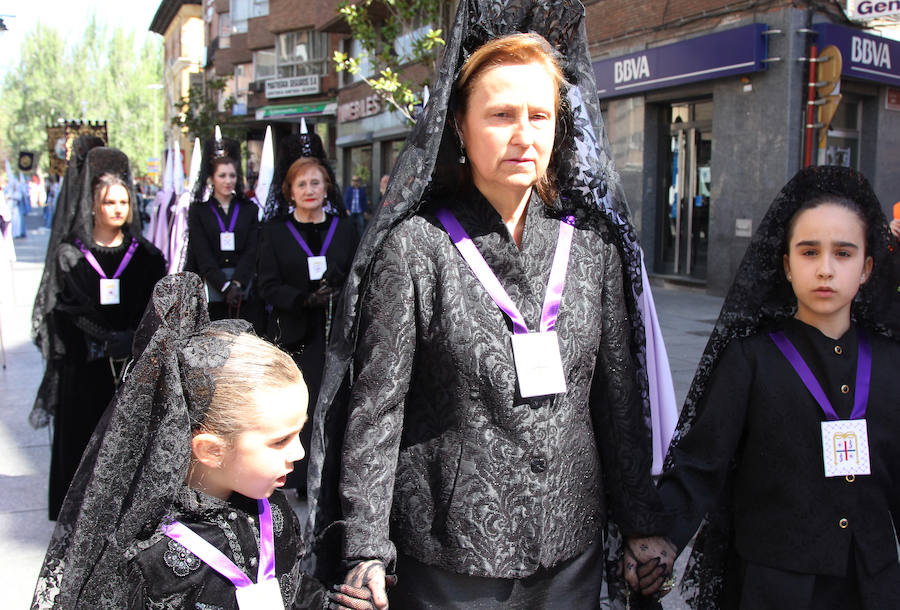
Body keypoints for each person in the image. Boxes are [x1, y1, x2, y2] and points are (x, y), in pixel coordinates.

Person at [306, 2, 674, 607]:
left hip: (568, 552)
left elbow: (616, 405)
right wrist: (366, 547)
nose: (524, 135)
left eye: (539, 115)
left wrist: (640, 525)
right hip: (453, 557)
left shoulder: (592, 247)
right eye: (501, 115)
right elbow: (379, 411)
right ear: (459, 124)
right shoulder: (416, 248)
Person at [631, 166, 900, 609]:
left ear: (868, 268)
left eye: (844, 253)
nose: (827, 269)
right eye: (809, 252)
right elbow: (701, 466)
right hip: (776, 586)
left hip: (871, 585)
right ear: (787, 266)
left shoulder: (890, 362)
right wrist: (660, 539)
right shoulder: (751, 359)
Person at [30, 272, 376, 608]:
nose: (299, 452)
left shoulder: (272, 509)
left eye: (299, 431)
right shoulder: (152, 561)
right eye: (279, 440)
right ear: (211, 449)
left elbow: (293, 591)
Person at [33, 148, 167, 520]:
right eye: (109, 201)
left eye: (124, 201)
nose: (118, 208)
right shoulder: (69, 256)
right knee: (82, 441)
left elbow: (157, 312)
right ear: (93, 205)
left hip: (131, 367)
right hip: (86, 368)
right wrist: (92, 342)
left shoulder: (147, 257)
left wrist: (133, 339)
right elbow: (57, 314)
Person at [258, 152, 357, 496]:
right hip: (295, 334)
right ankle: (298, 478)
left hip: (336, 331)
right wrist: (303, 299)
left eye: (316, 182)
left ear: (327, 187)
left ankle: (332, 475)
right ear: (290, 191)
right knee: (301, 404)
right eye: (301, 184)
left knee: (336, 404)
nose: (309, 189)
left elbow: (358, 273)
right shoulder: (274, 232)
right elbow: (267, 284)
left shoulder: (344, 228)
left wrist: (339, 288)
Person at [186, 136, 260, 325]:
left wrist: (237, 283)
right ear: (211, 178)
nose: (228, 181)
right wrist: (224, 286)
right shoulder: (199, 211)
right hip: (213, 288)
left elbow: (252, 250)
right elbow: (202, 253)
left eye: (232, 175)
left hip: (244, 287)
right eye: (222, 175)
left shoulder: (249, 209)